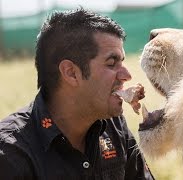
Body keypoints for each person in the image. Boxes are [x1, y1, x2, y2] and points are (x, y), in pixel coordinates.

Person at [0, 8, 154, 180]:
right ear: (71, 73)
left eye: (122, 62)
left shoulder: (114, 127)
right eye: (111, 63)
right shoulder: (10, 153)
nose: (127, 75)